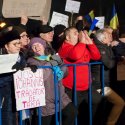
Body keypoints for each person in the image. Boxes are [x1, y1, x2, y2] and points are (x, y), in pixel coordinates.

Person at [58, 27, 104, 125]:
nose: (78, 35)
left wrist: (89, 42)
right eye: (75, 33)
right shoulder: (64, 48)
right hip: (72, 89)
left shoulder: (81, 46)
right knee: (72, 115)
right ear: (67, 37)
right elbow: (76, 55)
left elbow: (96, 56)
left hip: (87, 87)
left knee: (98, 101)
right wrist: (82, 41)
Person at [27, 37, 77, 125]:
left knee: (72, 112)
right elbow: (41, 77)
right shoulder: (32, 61)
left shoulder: (52, 56)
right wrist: (50, 63)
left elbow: (65, 70)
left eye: (39, 44)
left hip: (60, 97)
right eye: (33, 46)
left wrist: (61, 69)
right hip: (45, 101)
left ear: (44, 45)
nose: (37, 47)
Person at [91, 29, 125, 125]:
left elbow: (112, 58)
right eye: (108, 35)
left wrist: (117, 58)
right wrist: (117, 60)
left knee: (102, 110)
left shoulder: (105, 46)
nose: (111, 37)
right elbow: (109, 64)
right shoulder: (100, 48)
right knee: (120, 102)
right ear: (102, 39)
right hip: (99, 84)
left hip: (104, 82)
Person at [0, 26, 26, 125]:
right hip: (5, 100)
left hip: (20, 99)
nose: (18, 46)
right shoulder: (1, 60)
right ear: (6, 46)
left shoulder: (21, 57)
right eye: (15, 44)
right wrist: (13, 75)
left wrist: (31, 69)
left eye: (19, 43)